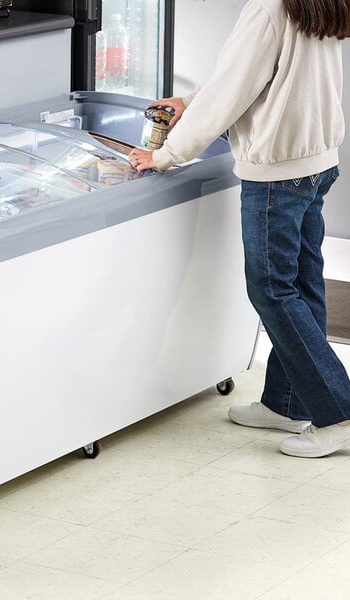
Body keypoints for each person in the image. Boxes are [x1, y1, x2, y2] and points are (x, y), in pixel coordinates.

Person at [128, 0, 350, 458]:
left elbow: (232, 90)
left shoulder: (269, 6)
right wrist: (188, 102)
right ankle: (288, 402)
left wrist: (165, 155)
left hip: (277, 174)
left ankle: (338, 411)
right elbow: (256, 73)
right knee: (301, 284)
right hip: (315, 160)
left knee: (272, 289)